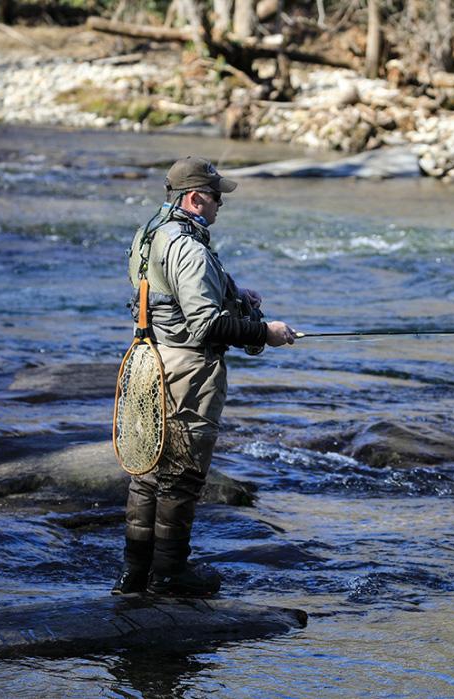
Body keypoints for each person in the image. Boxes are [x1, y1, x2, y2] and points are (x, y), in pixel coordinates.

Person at [112, 156, 297, 597]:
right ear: (195, 198)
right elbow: (207, 327)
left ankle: (134, 574)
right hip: (188, 371)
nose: (220, 204)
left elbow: (169, 291)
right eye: (216, 196)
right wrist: (266, 333)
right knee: (181, 474)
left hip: (148, 362)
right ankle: (169, 573)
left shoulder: (150, 232)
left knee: (147, 472)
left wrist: (233, 291)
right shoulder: (190, 248)